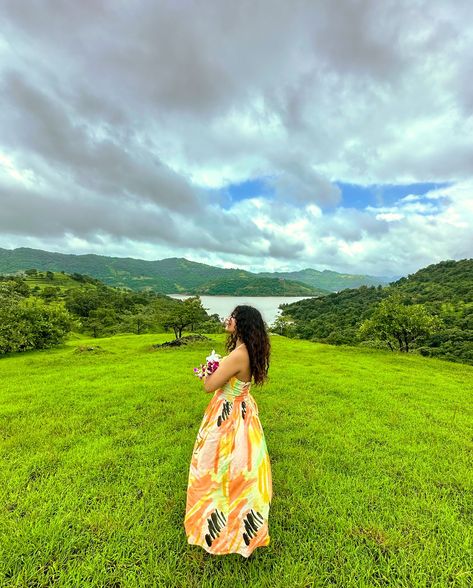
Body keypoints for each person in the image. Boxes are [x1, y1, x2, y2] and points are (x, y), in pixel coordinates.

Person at [184, 305, 273, 558]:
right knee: (238, 467)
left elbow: (210, 386)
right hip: (243, 410)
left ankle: (221, 523)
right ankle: (234, 518)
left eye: (233, 316)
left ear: (242, 323)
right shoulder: (249, 349)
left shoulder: (238, 354)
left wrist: (207, 371)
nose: (228, 319)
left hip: (228, 415)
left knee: (214, 467)